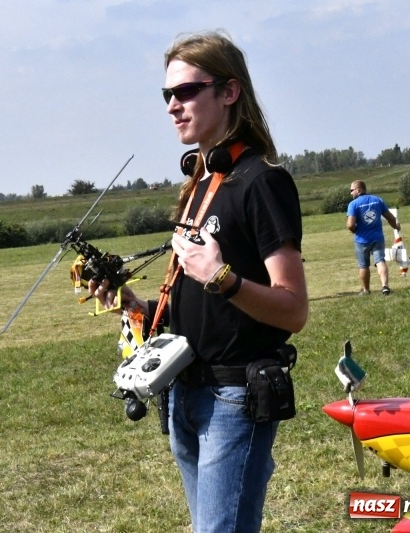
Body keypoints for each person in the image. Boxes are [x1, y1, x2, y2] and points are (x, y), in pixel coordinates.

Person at [90, 30, 308, 533]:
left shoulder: (261, 181)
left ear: (229, 93)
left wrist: (222, 277)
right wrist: (131, 302)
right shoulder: (202, 182)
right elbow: (196, 301)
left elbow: (294, 309)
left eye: (187, 91)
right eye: (167, 94)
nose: (172, 106)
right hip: (183, 394)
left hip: (234, 398)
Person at [346, 180, 400, 295]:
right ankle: (385, 286)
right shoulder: (378, 200)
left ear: (359, 190)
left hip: (362, 240)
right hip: (378, 238)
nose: (351, 193)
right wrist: (396, 226)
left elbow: (350, 224)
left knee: (363, 265)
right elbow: (390, 217)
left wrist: (354, 230)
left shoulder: (353, 204)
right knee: (380, 261)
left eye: (352, 190)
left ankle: (366, 290)